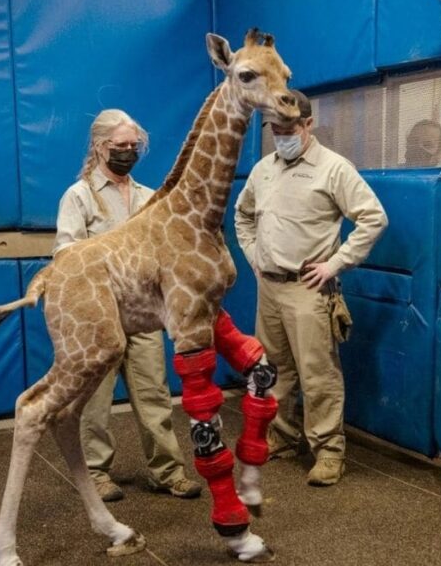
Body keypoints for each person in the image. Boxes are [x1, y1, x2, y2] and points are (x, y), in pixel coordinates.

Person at [234, 90, 388, 487]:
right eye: (275, 129)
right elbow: (243, 215)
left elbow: (374, 218)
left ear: (307, 124)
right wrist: (254, 256)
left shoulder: (334, 168)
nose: (281, 135)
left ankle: (328, 450)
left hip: (308, 287)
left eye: (289, 128)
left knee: (317, 373)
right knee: (273, 370)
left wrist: (336, 263)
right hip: (269, 285)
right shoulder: (262, 169)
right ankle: (283, 436)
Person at [54, 109, 202, 502]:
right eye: (119, 146)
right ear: (100, 147)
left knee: (155, 393)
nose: (127, 152)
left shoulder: (149, 197)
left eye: (133, 146)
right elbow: (65, 254)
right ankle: (96, 476)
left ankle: (167, 471)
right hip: (98, 320)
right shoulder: (79, 196)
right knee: (95, 402)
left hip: (143, 314)